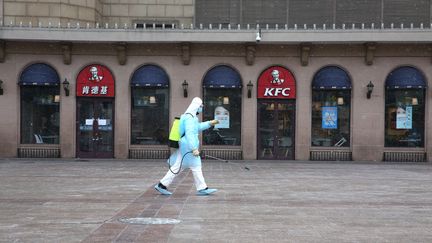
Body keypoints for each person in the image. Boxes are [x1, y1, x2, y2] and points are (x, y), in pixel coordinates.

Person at [154, 97, 219, 196]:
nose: (201, 108)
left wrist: (209, 123)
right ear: (196, 106)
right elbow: (189, 133)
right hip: (188, 146)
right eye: (201, 106)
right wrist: (194, 149)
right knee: (196, 166)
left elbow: (197, 127)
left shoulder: (191, 117)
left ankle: (162, 184)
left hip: (185, 145)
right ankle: (202, 188)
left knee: (178, 166)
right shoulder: (189, 118)